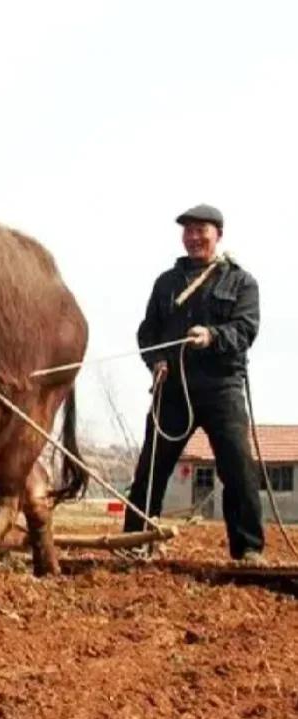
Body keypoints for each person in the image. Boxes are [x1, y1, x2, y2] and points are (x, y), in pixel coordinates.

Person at [123, 204, 264, 562]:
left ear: (218, 234)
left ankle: (248, 548)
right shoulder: (167, 283)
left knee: (239, 469)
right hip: (172, 389)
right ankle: (133, 542)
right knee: (151, 469)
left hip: (221, 387)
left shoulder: (241, 281)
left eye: (201, 230)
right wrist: (155, 360)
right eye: (188, 231)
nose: (194, 237)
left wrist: (213, 335)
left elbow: (246, 329)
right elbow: (148, 332)